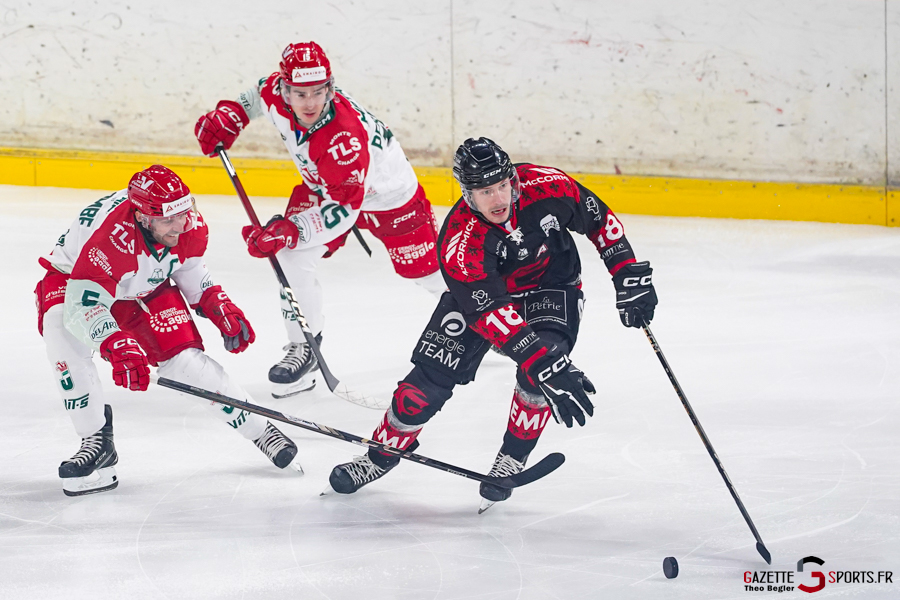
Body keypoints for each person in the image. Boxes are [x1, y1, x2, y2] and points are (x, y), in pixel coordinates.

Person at [326, 138, 659, 512]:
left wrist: (626, 272)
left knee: (540, 372)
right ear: (467, 193)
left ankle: (512, 458)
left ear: (513, 179)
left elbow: (597, 217)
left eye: (503, 185)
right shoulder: (460, 243)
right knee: (421, 390)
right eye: (486, 191)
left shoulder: (545, 185)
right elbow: (492, 315)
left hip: (553, 285)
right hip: (484, 302)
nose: (499, 198)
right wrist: (540, 359)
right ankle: (381, 455)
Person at [194, 41, 445, 399]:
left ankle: (484, 318)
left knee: (428, 274)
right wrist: (231, 115)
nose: (309, 102)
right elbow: (254, 95)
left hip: (389, 198)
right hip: (327, 187)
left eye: (318, 92)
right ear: (284, 88)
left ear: (330, 87)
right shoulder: (274, 91)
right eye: (299, 93)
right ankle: (304, 349)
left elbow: (343, 210)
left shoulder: (343, 138)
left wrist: (292, 229)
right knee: (290, 257)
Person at [34, 165, 300, 497]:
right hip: (77, 280)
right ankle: (96, 440)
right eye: (168, 220)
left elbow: (187, 264)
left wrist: (214, 301)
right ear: (143, 217)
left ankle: (262, 431)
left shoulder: (186, 223)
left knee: (186, 362)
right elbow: (82, 304)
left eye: (184, 214)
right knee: (62, 339)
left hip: (142, 284)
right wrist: (114, 343)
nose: (180, 226)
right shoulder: (110, 240)